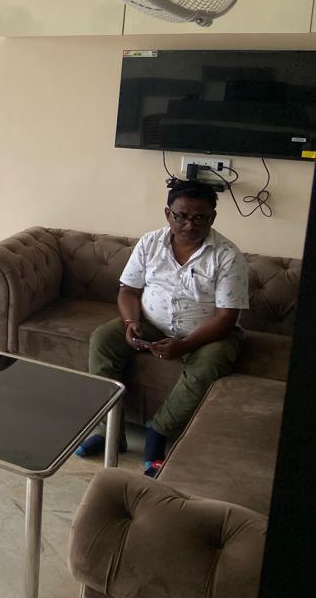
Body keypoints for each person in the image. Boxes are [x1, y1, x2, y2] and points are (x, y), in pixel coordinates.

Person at [75, 181, 250, 475]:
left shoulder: (228, 255)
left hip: (208, 333)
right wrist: (131, 322)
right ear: (168, 214)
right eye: (181, 216)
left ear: (212, 217)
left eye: (199, 217)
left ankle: (158, 431)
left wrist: (185, 345)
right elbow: (128, 291)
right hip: (151, 323)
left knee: (211, 363)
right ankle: (110, 432)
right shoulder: (150, 243)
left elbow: (226, 317)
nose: (189, 225)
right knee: (103, 339)